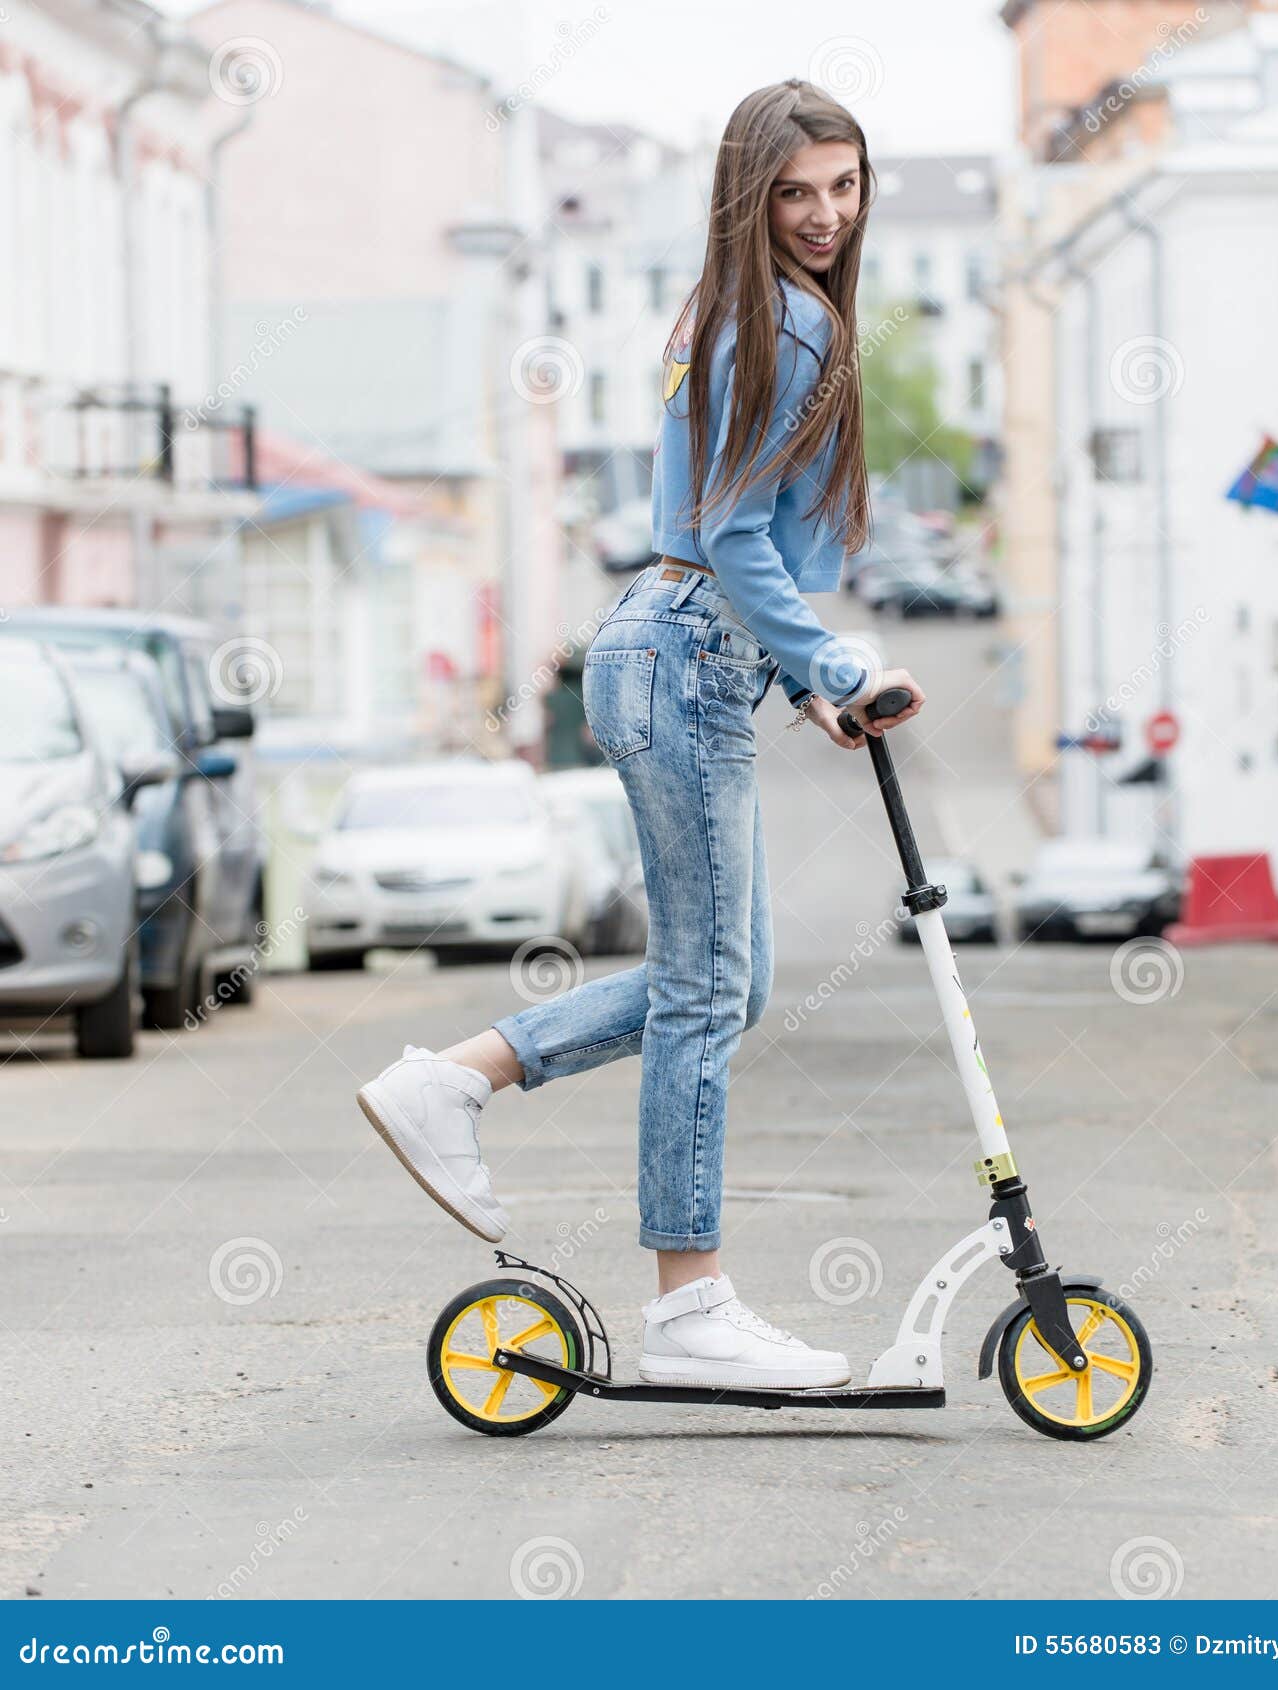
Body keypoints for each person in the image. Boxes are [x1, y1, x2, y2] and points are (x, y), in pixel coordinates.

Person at [356, 80, 924, 1390]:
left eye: (843, 186)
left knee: (720, 983)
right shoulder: (782, 322)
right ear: (748, 196)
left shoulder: (737, 315)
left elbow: (725, 539)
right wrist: (836, 661)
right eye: (795, 192)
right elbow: (730, 536)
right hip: (685, 655)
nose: (825, 214)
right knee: (708, 989)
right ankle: (689, 1306)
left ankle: (457, 1079)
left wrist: (808, 686)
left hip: (674, 651)